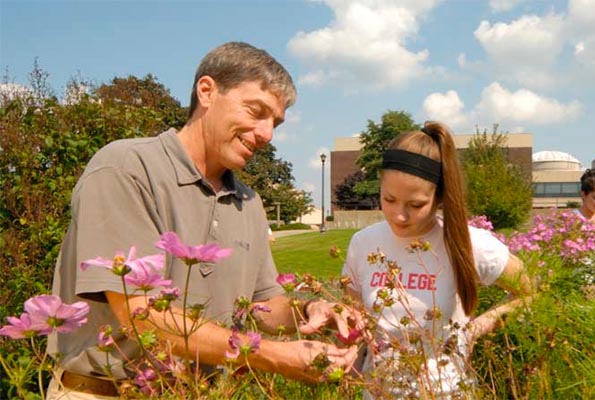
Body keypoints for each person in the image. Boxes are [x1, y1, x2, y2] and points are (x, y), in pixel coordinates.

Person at [46, 42, 358, 398]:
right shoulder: (126, 169)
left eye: (275, 122)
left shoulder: (249, 202)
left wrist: (311, 309)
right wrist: (268, 355)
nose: (267, 134)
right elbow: (140, 316)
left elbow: (263, 304)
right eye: (256, 111)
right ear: (207, 91)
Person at [341, 121, 533, 399]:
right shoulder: (363, 243)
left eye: (416, 204)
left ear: (440, 197)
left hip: (446, 391)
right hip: (378, 392)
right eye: (389, 199)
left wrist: (486, 321)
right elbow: (354, 316)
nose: (399, 215)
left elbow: (530, 290)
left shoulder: (466, 243)